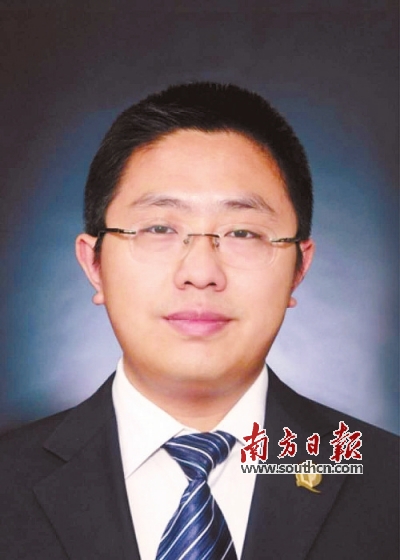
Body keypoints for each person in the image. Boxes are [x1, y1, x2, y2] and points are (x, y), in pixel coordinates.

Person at [0, 82, 398, 560]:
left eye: (243, 232)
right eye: (160, 228)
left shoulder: (386, 483)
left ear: (299, 267)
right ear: (95, 264)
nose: (201, 273)